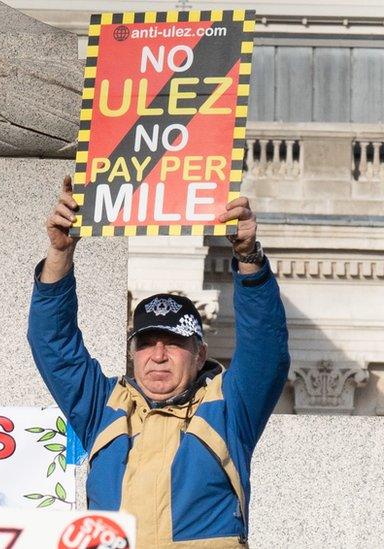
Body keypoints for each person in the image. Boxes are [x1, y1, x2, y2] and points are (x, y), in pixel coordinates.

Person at [28, 177, 289, 548]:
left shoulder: (230, 408)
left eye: (175, 343)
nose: (159, 355)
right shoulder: (102, 407)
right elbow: (52, 343)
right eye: (147, 343)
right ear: (133, 354)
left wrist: (248, 257)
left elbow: (267, 349)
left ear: (200, 354)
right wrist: (60, 255)